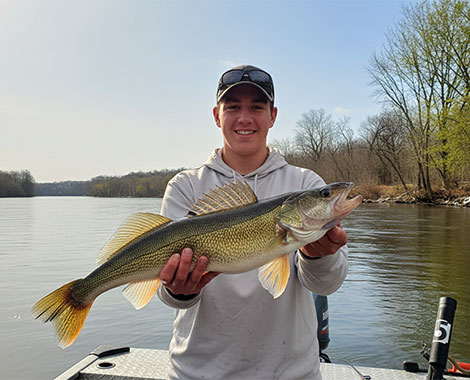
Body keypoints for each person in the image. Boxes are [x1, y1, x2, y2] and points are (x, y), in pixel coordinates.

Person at [157, 65, 349, 379]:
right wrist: (180, 291)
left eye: (256, 107)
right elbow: (169, 296)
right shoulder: (185, 187)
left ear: (272, 115)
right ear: (217, 116)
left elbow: (327, 284)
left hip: (290, 374)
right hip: (198, 372)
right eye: (233, 107)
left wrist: (317, 256)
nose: (245, 117)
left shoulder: (304, 182)